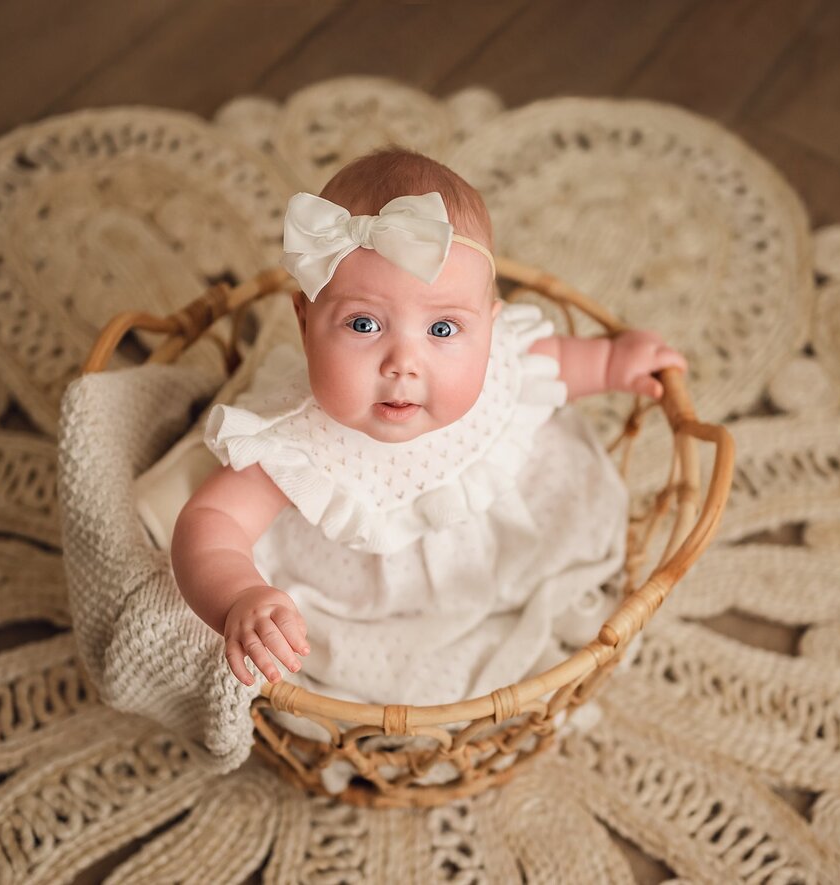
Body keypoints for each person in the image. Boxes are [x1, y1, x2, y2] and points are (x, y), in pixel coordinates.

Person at [169, 146, 686, 707]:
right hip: (365, 603)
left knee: (571, 537)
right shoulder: (296, 440)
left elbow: (556, 360)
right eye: (364, 324)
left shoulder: (498, 361)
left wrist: (614, 363)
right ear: (304, 320)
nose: (404, 363)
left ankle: (507, 598)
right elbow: (211, 520)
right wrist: (239, 597)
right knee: (347, 670)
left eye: (443, 328)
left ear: (490, 326)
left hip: (499, 548)